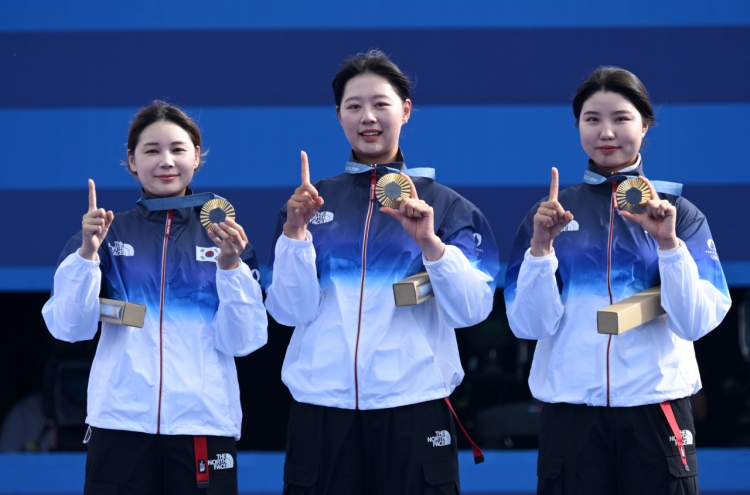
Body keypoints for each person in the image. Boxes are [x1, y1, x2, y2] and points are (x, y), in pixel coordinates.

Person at [265, 50, 501, 494]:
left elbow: (472, 310)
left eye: (381, 104)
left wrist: (430, 243)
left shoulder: (447, 207)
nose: (367, 117)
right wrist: (294, 235)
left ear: (406, 110)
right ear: (338, 115)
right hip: (322, 409)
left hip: (413, 406)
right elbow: (289, 312)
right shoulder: (308, 204)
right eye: (354, 106)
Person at [504, 67, 731, 494]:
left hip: (655, 407)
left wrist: (668, 244)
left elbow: (696, 322)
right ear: (578, 127)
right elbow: (529, 326)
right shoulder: (551, 214)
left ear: (645, 125)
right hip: (571, 413)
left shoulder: (680, 214)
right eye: (592, 119)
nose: (606, 132)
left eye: (621, 118)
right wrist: (540, 249)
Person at [42, 101, 268, 495]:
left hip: (203, 423)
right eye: (151, 150)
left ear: (197, 157)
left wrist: (231, 268)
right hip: (120, 424)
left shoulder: (225, 239)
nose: (166, 161)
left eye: (178, 149)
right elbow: (69, 329)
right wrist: (87, 256)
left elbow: (244, 341)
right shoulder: (105, 234)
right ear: (131, 161)